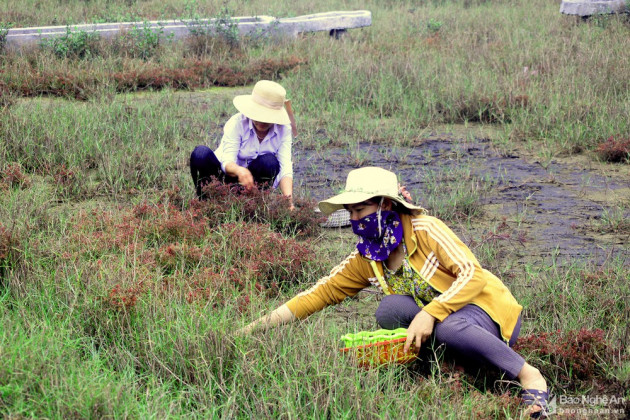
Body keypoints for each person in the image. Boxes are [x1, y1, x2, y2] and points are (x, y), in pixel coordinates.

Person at [240, 167, 550, 418]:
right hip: (445, 321)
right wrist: (252, 329)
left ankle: (527, 375)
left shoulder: (426, 229)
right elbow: (316, 294)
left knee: (451, 324)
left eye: (360, 209)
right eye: (350, 212)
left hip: (487, 314)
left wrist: (430, 312)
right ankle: (453, 366)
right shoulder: (369, 256)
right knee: (389, 310)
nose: (353, 220)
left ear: (385, 204)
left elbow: (474, 276)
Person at [190, 80, 297, 208]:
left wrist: (288, 202)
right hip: (223, 177)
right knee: (200, 154)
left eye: (268, 116)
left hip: (252, 184)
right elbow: (227, 161)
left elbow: (285, 168)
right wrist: (239, 171)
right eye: (259, 114)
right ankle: (207, 203)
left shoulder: (284, 129)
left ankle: (252, 206)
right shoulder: (237, 122)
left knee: (269, 161)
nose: (262, 120)